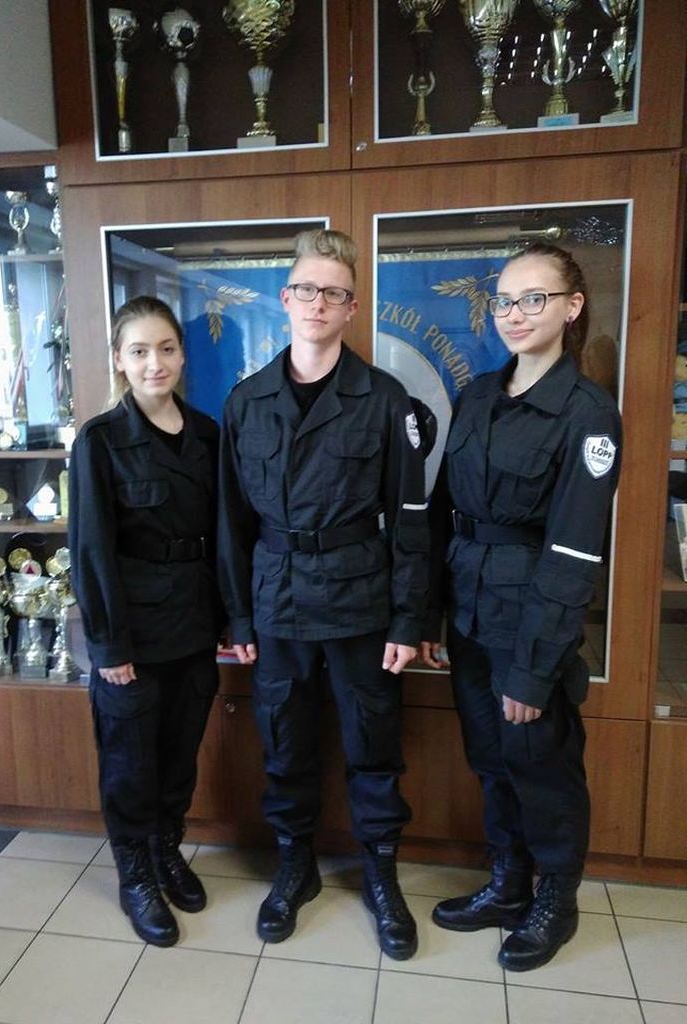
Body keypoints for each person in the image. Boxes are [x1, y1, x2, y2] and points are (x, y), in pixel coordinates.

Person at [218, 228, 441, 960]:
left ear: (351, 308)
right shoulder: (246, 402)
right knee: (285, 744)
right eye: (307, 289)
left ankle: (381, 874)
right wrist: (238, 616)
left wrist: (408, 620)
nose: (319, 303)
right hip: (276, 601)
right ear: (285, 299)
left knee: (374, 746)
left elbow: (410, 520)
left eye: (334, 293)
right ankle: (296, 866)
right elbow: (231, 523)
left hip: (359, 602)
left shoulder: (385, 400)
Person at [427, 242, 622, 971]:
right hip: (469, 613)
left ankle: (555, 901)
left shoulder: (588, 414)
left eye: (534, 299)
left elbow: (574, 554)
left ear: (572, 308)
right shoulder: (479, 394)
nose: (514, 313)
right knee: (491, 759)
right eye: (505, 300)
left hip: (529, 623)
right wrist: (434, 615)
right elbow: (444, 513)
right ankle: (508, 885)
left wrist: (536, 668)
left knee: (543, 768)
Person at [69, 295, 222, 947]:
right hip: (131, 633)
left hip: (194, 624)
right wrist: (108, 645)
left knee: (178, 756)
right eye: (138, 351)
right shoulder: (101, 440)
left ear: (182, 355)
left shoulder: (207, 434)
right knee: (130, 763)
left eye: (165, 348)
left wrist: (229, 621)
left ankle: (165, 850)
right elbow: (90, 548)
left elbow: (224, 537)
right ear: (119, 361)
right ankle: (135, 874)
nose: (154, 362)